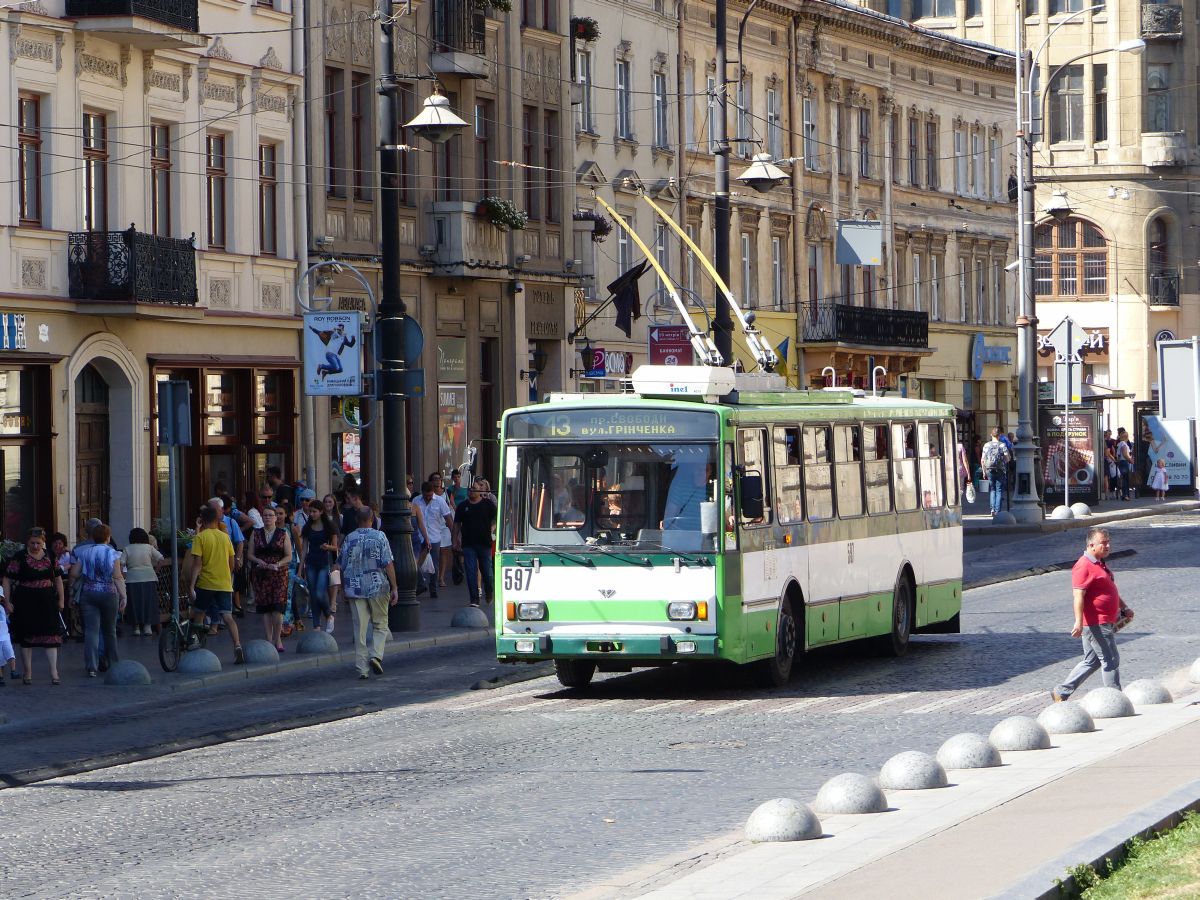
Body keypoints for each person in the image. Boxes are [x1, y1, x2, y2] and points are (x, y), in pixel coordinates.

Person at [1052, 527, 1132, 702]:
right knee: (1110, 659)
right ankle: (1115, 700)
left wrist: (1124, 608)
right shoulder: (1083, 565)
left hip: (1103, 620)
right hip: (1096, 621)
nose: (1108, 545)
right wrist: (1078, 622)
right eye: (1104, 543)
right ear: (1091, 545)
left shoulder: (1099, 563)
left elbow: (1110, 590)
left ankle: (1061, 692)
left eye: (1108, 542)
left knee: (1092, 661)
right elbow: (1078, 596)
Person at [339, 506, 398, 679]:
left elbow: (341, 565)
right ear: (372, 518)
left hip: (355, 588)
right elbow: (388, 563)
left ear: (358, 519)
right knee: (380, 624)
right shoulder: (379, 536)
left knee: (360, 629)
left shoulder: (350, 538)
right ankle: (376, 655)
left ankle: (362, 669)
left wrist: (343, 588)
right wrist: (394, 586)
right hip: (377, 586)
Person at [3, 528, 65, 684]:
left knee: (51, 635)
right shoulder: (20, 557)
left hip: (47, 600)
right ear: (27, 542)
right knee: (26, 636)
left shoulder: (50, 555)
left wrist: (61, 599)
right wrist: (7, 601)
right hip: (25, 600)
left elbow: (57, 578)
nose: (35, 546)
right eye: (32, 543)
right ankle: (28, 672)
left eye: (38, 543)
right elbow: (7, 579)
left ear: (43, 542)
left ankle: (54, 672)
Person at [187, 506, 244, 664]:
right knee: (227, 616)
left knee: (199, 613)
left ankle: (196, 645)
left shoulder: (200, 538)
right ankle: (238, 645)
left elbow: (197, 564)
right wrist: (228, 575)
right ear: (217, 520)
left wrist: (192, 585)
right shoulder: (225, 537)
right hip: (224, 583)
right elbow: (231, 561)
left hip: (206, 583)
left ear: (202, 520)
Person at [71, 524, 127, 678]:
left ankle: (91, 666)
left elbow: (74, 572)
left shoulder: (85, 552)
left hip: (88, 593)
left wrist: (72, 589)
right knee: (110, 631)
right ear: (108, 537)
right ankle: (113, 662)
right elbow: (117, 576)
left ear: (93, 537)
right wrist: (124, 596)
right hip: (109, 593)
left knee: (91, 631)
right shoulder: (113, 553)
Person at [248, 506, 293, 652]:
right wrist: (258, 561)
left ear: (275, 518)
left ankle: (278, 638)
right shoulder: (256, 533)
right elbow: (250, 554)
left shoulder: (282, 533)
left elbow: (289, 555)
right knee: (266, 608)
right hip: (261, 574)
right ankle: (268, 639)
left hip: (278, 573)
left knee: (277, 607)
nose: (267, 518)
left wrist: (278, 564)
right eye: (265, 515)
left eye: (270, 515)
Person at [453, 482, 497, 607]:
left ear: (479, 491)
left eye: (474, 489)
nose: (472, 491)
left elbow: (496, 519)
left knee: (487, 572)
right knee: (471, 572)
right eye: (470, 489)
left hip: (485, 544)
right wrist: (454, 540)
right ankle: (474, 599)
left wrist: (492, 528)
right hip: (468, 544)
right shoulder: (462, 506)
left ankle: (489, 591)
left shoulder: (488, 504)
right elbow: (456, 524)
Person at [301, 501, 340, 634]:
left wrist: (328, 547)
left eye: (314, 511)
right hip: (310, 563)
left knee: (319, 593)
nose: (311, 514)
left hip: (324, 563)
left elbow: (335, 547)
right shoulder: (307, 527)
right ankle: (316, 626)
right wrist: (301, 567)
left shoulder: (330, 526)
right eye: (310, 511)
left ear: (321, 512)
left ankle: (329, 615)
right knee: (313, 595)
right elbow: (304, 548)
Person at [413, 480, 452, 597]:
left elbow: (448, 518)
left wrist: (455, 536)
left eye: (430, 495)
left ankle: (433, 588)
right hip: (419, 538)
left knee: (434, 564)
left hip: (435, 537)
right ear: (422, 493)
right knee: (416, 564)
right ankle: (420, 584)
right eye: (426, 495)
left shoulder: (440, 501)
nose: (428, 498)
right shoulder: (416, 501)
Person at [122, 528, 164, 636]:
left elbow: (121, 563)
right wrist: (156, 570)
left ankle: (136, 627)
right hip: (149, 577)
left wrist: (123, 575)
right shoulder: (149, 548)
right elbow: (160, 559)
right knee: (148, 602)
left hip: (132, 578)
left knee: (134, 603)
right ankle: (147, 626)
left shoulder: (127, 548)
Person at [980, 428, 1011, 517]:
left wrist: (983, 471)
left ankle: (992, 509)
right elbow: (1007, 458)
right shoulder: (1002, 445)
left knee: (992, 489)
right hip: (1000, 469)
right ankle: (998, 511)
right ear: (999, 435)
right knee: (999, 490)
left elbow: (982, 460)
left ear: (991, 434)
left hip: (989, 469)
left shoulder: (986, 445)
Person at [1115, 428, 1134, 500]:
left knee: (1124, 479)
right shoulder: (1123, 444)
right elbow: (1125, 454)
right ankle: (1125, 495)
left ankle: (1124, 495)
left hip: (1121, 462)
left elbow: (1119, 455)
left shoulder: (1120, 443)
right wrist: (1130, 460)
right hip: (1124, 462)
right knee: (1126, 479)